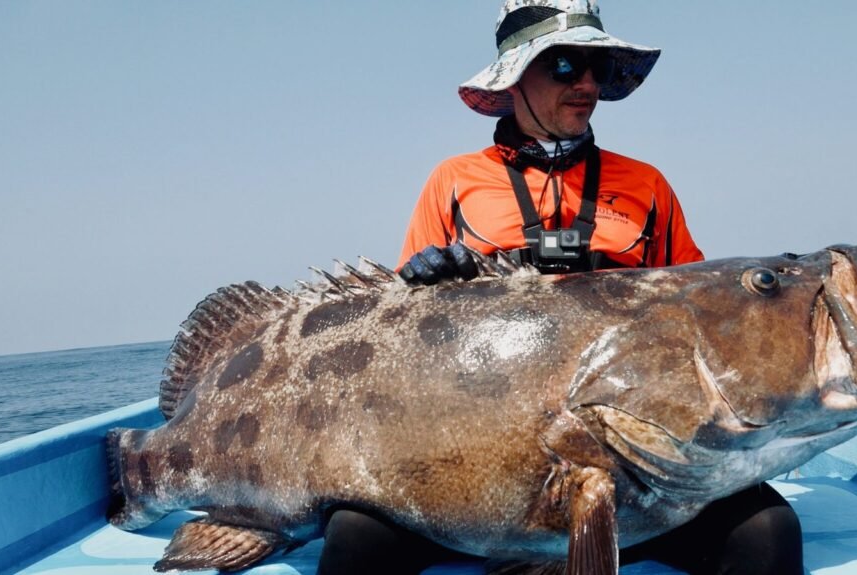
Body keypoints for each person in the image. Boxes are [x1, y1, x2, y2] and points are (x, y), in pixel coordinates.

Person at [320, 1, 804, 574]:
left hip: (638, 479)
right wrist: (418, 284)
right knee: (355, 539)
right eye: (565, 65)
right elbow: (402, 344)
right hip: (472, 476)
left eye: (599, 67)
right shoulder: (452, 181)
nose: (588, 84)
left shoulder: (648, 185)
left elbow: (703, 319)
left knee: (768, 532)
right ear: (514, 80)